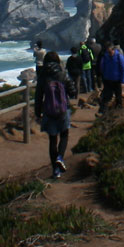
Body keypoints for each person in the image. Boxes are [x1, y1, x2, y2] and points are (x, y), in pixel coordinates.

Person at [34, 50, 76, 179]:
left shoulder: (42, 75)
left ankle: (55, 171)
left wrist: (38, 112)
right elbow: (72, 90)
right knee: (64, 135)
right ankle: (60, 158)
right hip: (63, 109)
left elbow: (38, 96)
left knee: (53, 140)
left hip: (49, 110)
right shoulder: (63, 73)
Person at [98, 41, 124, 113]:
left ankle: (118, 112)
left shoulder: (119, 56)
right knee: (107, 97)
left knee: (118, 97)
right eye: (107, 50)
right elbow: (102, 67)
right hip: (108, 80)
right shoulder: (105, 57)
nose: (108, 51)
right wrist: (103, 77)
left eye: (109, 50)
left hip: (117, 80)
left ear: (113, 49)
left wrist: (123, 81)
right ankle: (102, 112)